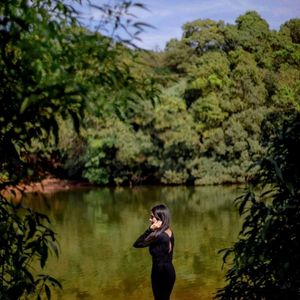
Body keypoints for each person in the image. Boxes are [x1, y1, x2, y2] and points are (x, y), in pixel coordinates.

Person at [133, 204, 176, 300]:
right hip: (170, 271)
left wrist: (149, 230)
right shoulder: (169, 231)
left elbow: (137, 244)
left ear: (160, 219)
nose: (150, 219)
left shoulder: (157, 235)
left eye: (152, 217)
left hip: (159, 272)